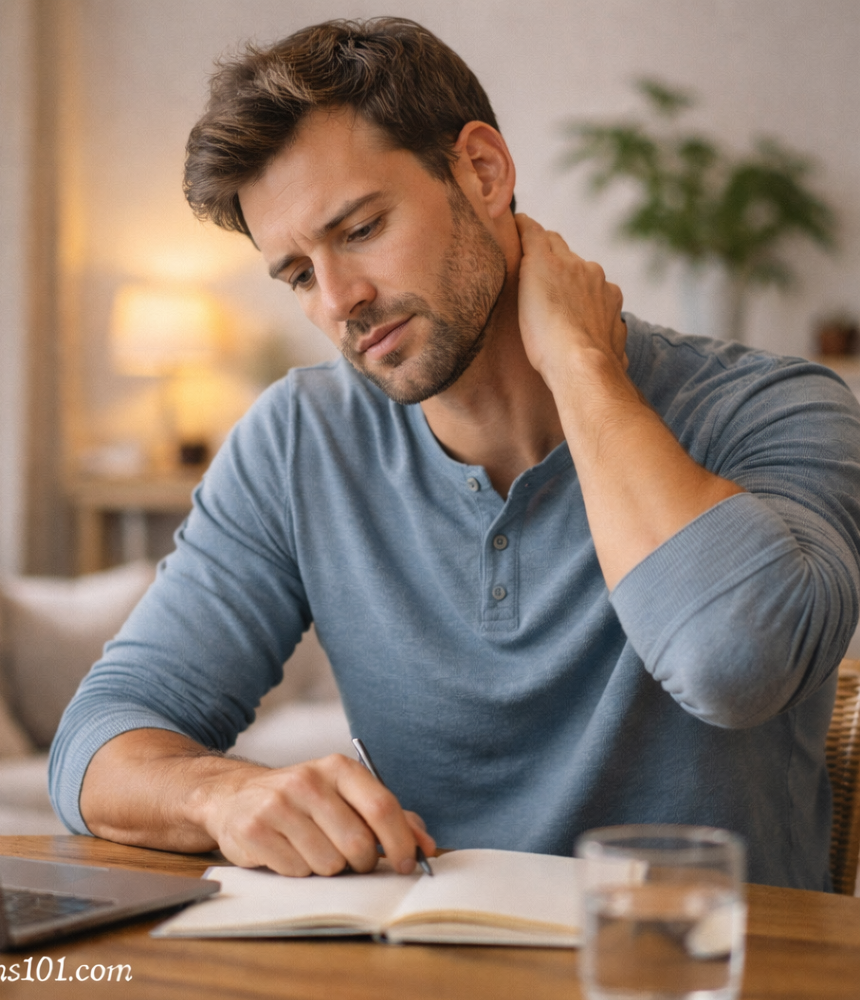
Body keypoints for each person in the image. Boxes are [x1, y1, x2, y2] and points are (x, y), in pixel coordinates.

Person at [49, 18, 860, 889]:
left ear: (482, 172)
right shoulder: (299, 441)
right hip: (421, 982)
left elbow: (732, 664)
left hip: (692, 988)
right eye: (296, 274)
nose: (339, 301)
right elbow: (97, 741)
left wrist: (581, 366)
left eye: (360, 229)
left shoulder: (773, 408)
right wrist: (223, 797)